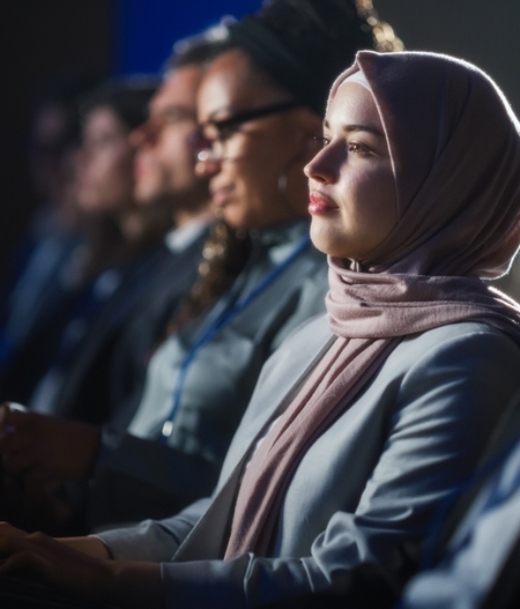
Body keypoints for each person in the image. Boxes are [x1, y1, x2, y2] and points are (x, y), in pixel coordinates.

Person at [1, 48, 520, 609]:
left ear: (446, 182)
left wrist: (104, 582)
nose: (315, 165)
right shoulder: (325, 328)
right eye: (326, 136)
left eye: (360, 147)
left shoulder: (468, 355)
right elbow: (219, 521)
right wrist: (58, 552)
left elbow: (359, 580)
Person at [0, 0, 398, 531]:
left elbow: (262, 498)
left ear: (309, 134)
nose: (202, 159)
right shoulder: (244, 261)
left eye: (222, 131)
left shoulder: (333, 292)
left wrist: (96, 457)